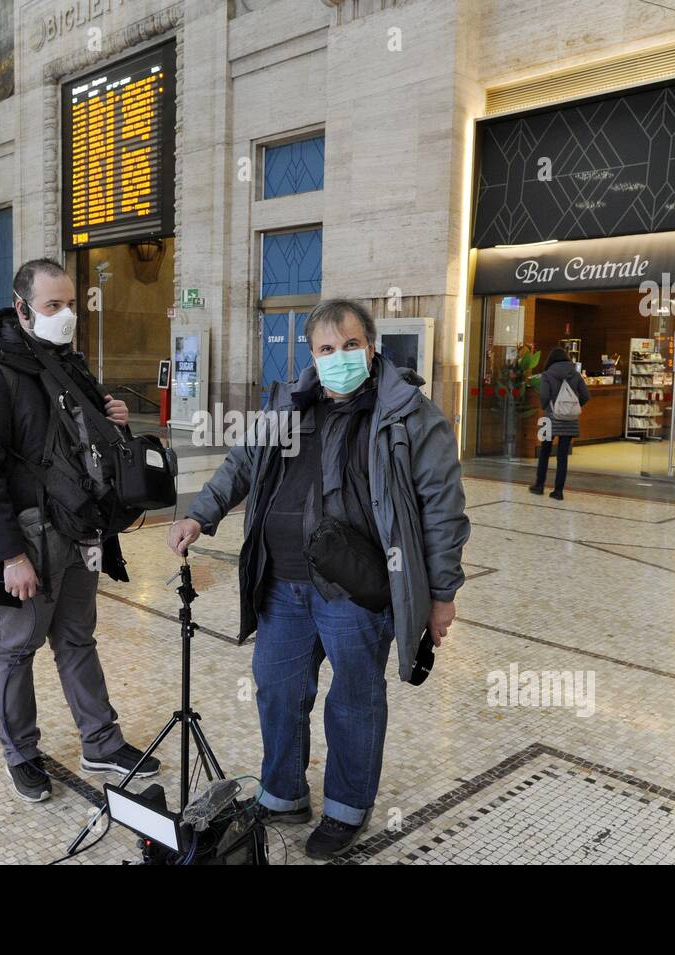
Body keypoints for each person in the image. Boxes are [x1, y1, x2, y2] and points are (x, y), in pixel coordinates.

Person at [166, 298, 469, 860]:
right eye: (327, 349)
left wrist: (442, 594)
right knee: (277, 691)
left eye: (351, 345)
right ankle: (283, 793)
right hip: (281, 584)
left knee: (354, 698)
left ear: (372, 347)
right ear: (312, 355)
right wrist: (199, 514)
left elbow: (443, 510)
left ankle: (347, 809)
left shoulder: (409, 415)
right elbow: (243, 463)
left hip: (358, 588)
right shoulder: (290, 405)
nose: (340, 358)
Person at [0, 257, 158, 805]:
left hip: (79, 533)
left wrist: (112, 420)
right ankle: (20, 751)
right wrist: (8, 556)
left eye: (70, 305)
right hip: (26, 542)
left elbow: (92, 451)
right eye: (53, 306)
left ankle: (101, 740)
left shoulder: (69, 365)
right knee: (17, 648)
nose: (65, 315)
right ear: (22, 309)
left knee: (76, 638)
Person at [529, 347, 590, 501]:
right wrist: (573, 408)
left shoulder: (547, 374)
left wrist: (547, 407)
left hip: (550, 417)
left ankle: (539, 485)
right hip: (570, 420)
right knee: (563, 455)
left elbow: (544, 395)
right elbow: (585, 395)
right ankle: (558, 491)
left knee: (544, 451)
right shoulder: (575, 374)